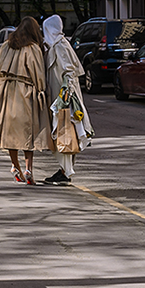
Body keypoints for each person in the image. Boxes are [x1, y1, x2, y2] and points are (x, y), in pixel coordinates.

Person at [0, 16, 53, 185]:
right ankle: (29, 169)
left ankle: (15, 166)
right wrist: (41, 91)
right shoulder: (33, 49)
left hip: (4, 91)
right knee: (27, 133)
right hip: (24, 91)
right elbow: (38, 74)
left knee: (11, 133)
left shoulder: (6, 46)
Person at [42, 14, 93, 185]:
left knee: (64, 131)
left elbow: (69, 72)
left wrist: (64, 98)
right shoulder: (58, 45)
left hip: (64, 98)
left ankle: (65, 172)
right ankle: (65, 170)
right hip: (63, 96)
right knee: (66, 131)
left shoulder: (60, 46)